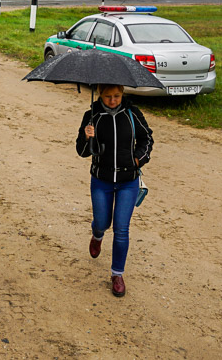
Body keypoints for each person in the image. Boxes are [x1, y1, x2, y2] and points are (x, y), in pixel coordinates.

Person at [76, 84, 153, 298]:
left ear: (122, 94)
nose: (113, 100)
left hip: (128, 181)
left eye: (117, 96)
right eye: (108, 96)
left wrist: (138, 159)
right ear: (100, 94)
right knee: (102, 222)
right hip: (102, 180)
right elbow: (81, 152)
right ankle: (97, 234)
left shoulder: (132, 113)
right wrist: (86, 136)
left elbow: (147, 139)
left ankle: (117, 274)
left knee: (121, 229)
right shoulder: (91, 116)